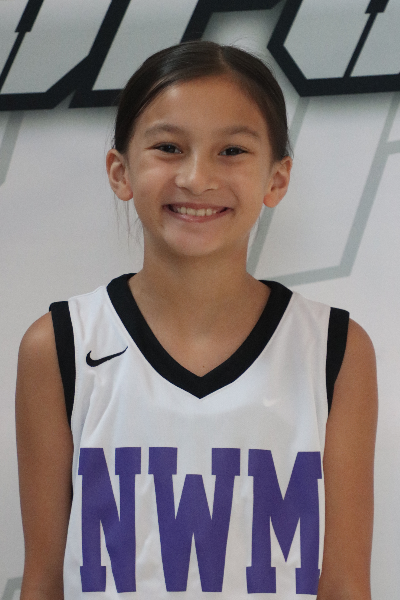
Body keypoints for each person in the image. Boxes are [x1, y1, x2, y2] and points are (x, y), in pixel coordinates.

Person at [16, 41, 377, 600]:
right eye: (169, 147)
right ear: (120, 171)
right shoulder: (59, 345)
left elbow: (346, 585)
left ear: (277, 178)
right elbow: (43, 583)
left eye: (231, 150)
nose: (196, 177)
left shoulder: (335, 348)